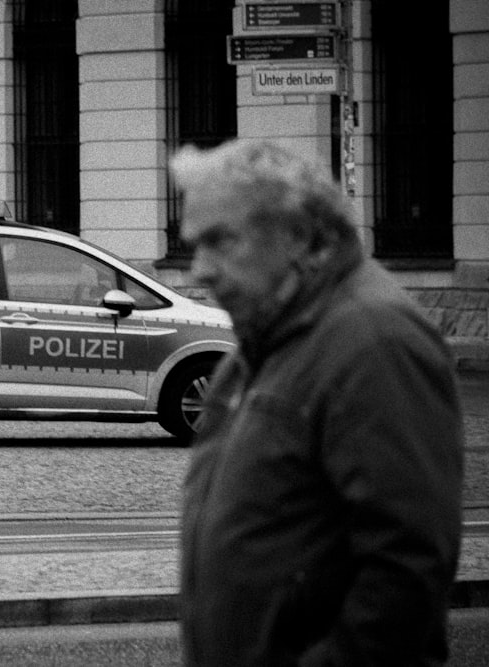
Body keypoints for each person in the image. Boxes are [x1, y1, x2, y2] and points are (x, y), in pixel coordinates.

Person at [171, 139, 464, 666]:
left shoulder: (374, 340)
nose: (199, 270)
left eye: (219, 242)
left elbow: (405, 570)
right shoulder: (267, 338)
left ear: (298, 237)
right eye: (194, 245)